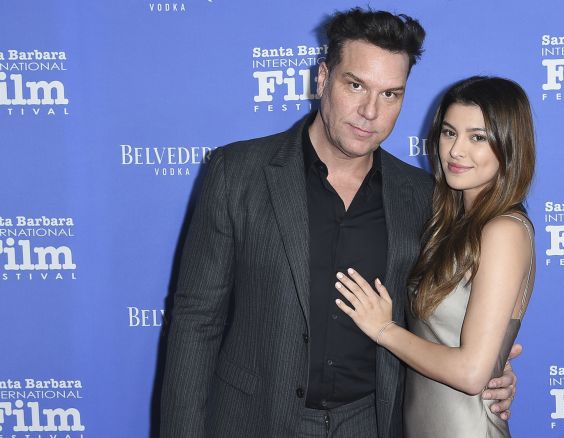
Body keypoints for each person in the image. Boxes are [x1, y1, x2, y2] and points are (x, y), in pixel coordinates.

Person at [159, 9, 519, 438]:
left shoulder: (424, 196)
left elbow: (448, 311)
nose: (371, 111)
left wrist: (494, 368)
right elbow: (196, 321)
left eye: (390, 95)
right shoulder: (238, 173)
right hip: (256, 421)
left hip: (373, 422)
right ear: (323, 78)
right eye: (356, 85)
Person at [334, 76, 536, 438]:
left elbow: (472, 373)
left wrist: (384, 329)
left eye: (478, 137)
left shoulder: (504, 231)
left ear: (510, 145)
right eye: (449, 132)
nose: (456, 151)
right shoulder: (448, 223)